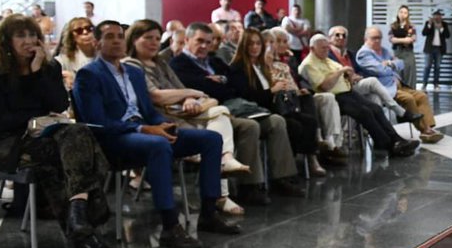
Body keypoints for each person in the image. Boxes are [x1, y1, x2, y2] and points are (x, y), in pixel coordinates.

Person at [74, 21, 233, 248]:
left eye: (120, 36)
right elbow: (98, 123)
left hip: (145, 133)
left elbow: (148, 112)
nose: (117, 40)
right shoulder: (88, 75)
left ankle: (209, 212)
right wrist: (144, 129)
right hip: (114, 139)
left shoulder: (134, 73)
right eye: (110, 37)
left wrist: (163, 124)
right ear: (97, 43)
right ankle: (169, 226)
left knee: (211, 139)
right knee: (158, 145)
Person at [0, 15, 113, 248]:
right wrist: (35, 120)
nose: (28, 40)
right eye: (21, 35)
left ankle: (78, 219)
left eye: (32, 35)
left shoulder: (49, 67)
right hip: (10, 143)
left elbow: (59, 103)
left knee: (76, 135)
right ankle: (83, 217)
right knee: (83, 151)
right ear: (6, 41)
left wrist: (38, 72)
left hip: (49, 137)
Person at [123, 19, 251, 211]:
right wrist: (191, 94)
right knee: (217, 126)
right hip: (159, 120)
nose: (154, 43)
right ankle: (221, 191)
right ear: (133, 40)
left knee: (219, 116)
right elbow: (156, 96)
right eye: (148, 38)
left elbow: (181, 89)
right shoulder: (132, 65)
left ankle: (224, 170)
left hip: (182, 113)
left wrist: (188, 98)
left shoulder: (161, 63)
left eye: (157, 38)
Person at [170, 22, 304, 200]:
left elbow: (234, 84)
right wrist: (213, 83)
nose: (204, 46)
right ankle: (249, 185)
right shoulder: (179, 63)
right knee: (250, 126)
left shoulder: (215, 61)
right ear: (187, 40)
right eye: (199, 41)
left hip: (235, 106)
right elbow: (196, 88)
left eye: (208, 42)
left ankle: (282, 178)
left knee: (277, 121)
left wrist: (217, 82)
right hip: (207, 113)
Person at [300, 35, 419, 157]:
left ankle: (396, 139)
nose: (326, 50)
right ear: (312, 49)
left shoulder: (327, 60)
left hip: (348, 92)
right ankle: (388, 144)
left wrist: (349, 76)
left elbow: (346, 74)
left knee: (376, 108)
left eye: (327, 48)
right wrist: (340, 72)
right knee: (365, 112)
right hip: (332, 97)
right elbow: (324, 86)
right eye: (322, 48)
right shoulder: (309, 64)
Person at [229, 28, 325, 177]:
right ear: (244, 46)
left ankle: (308, 162)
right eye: (250, 44)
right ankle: (286, 171)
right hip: (255, 111)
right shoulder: (238, 68)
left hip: (271, 107)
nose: (255, 47)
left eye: (257, 44)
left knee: (309, 121)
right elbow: (247, 96)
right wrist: (273, 90)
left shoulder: (260, 67)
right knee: (293, 126)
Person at [267, 27, 348, 166]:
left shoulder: (290, 59)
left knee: (308, 98)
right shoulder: (268, 62)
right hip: (280, 99)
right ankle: (314, 154)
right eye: (278, 41)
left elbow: (298, 78)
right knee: (317, 104)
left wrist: (303, 89)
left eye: (285, 41)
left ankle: (319, 149)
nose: (281, 44)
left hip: (297, 96)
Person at [355, 27, 444, 143]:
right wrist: (391, 65)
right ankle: (425, 130)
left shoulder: (384, 51)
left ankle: (429, 127)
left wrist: (389, 63)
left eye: (379, 38)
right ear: (365, 39)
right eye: (374, 38)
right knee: (409, 99)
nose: (377, 41)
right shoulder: (363, 54)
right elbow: (380, 70)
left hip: (397, 84)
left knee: (421, 96)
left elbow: (402, 64)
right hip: (385, 88)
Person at [323, 26, 409, 118]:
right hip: (342, 88)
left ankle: (380, 130)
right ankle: (396, 109)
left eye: (344, 35)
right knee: (372, 80)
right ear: (329, 38)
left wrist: (358, 76)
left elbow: (361, 70)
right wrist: (347, 76)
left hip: (356, 85)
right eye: (337, 35)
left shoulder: (350, 54)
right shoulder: (327, 55)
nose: (341, 37)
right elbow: (381, 70)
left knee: (375, 97)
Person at [57, 16, 98, 83]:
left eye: (89, 28)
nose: (85, 32)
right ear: (72, 37)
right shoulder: (63, 60)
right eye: (79, 31)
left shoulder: (106, 54)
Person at [388, 5, 418, 90]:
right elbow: (391, 39)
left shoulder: (411, 26)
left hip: (408, 53)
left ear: (408, 15)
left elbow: (412, 39)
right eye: (401, 12)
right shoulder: (393, 26)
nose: (403, 14)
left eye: (405, 13)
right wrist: (404, 39)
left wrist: (398, 39)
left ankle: (410, 92)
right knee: (397, 73)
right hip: (397, 53)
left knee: (409, 73)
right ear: (398, 13)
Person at [420, 9, 450, 89]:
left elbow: (447, 35)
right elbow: (424, 33)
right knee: (427, 67)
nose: (437, 18)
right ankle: (424, 84)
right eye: (435, 16)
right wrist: (429, 25)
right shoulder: (429, 23)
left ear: (441, 17)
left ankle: (436, 84)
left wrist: (441, 28)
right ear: (433, 17)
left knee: (437, 67)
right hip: (429, 49)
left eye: (439, 17)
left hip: (439, 49)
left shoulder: (444, 24)